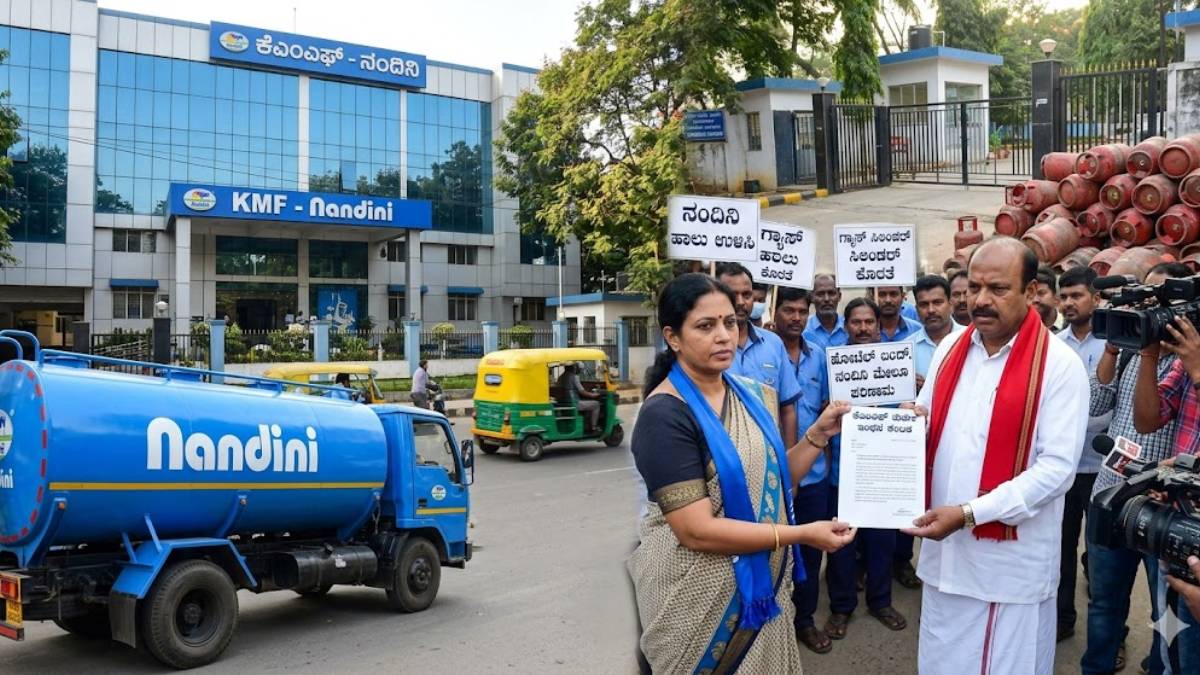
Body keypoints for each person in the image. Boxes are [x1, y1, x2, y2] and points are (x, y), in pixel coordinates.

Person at [628, 273, 857, 673]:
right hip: (697, 603)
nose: (724, 336)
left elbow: (774, 476)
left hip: (761, 596)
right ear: (673, 337)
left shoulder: (750, 394)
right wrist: (801, 534)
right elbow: (694, 530)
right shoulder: (665, 415)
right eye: (705, 326)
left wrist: (818, 434)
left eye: (729, 322)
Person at [905, 236, 1089, 675]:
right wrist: (886, 431)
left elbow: (1056, 472)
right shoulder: (952, 348)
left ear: (1031, 292)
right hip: (944, 558)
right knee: (939, 663)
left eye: (998, 289)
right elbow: (926, 423)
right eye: (973, 287)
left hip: (1006, 571)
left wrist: (969, 513)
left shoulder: (1059, 365)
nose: (980, 300)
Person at [1082, 261, 1191, 675]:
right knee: (1105, 602)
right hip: (1111, 496)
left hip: (1164, 509)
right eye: (1146, 299)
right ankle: (1097, 667)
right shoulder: (1128, 350)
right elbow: (1095, 405)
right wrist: (1113, 347)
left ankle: (1162, 667)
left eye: (1161, 301)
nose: (1150, 310)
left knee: (1170, 609)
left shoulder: (1186, 363)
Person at [824, 297, 908, 639]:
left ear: (878, 325)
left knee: (882, 544)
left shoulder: (896, 362)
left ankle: (880, 601)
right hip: (842, 473)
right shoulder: (833, 364)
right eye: (856, 322)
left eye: (868, 322)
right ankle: (841, 608)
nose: (862, 328)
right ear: (846, 327)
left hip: (884, 472)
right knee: (841, 546)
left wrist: (911, 410)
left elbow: (910, 410)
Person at [771, 287, 834, 654]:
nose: (795, 318)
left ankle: (805, 621)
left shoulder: (820, 356)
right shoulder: (762, 351)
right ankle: (771, 626)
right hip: (768, 476)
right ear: (775, 312)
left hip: (813, 475)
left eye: (801, 312)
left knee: (810, 553)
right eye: (788, 310)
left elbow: (830, 404)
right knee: (772, 552)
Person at [896, 274, 965, 589]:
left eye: (938, 302)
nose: (931, 309)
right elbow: (895, 406)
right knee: (921, 516)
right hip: (917, 453)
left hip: (960, 449)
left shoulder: (972, 342)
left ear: (951, 302)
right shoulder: (902, 351)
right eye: (923, 304)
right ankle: (925, 574)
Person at [1054, 266, 1109, 643]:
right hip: (1064, 470)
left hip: (1104, 471)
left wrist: (1073, 421)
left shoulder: (1114, 343)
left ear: (1096, 297)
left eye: (1077, 296)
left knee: (1104, 562)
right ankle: (1061, 623)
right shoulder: (1055, 345)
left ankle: (1110, 637)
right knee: (1059, 554)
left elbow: (1111, 410)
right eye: (1065, 297)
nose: (1070, 303)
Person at [716, 263, 801, 447]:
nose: (740, 302)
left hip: (770, 458)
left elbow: (787, 409)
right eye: (732, 294)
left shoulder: (774, 344)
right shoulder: (709, 346)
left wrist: (789, 461)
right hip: (725, 456)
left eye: (746, 295)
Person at [804, 273, 849, 349]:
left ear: (839, 296)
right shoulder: (803, 329)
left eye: (831, 293)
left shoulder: (850, 328)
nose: (826, 299)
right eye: (820, 294)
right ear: (812, 297)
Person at [558, 362, 603, 432]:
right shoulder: (574, 377)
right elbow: (582, 392)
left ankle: (587, 424)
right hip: (574, 403)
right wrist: (594, 395)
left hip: (565, 403)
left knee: (588, 403)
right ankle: (594, 427)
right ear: (574, 367)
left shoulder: (560, 377)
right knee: (596, 404)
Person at [1035, 264, 1064, 331]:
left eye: (1041, 293)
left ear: (1055, 296)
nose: (1035, 299)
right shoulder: (1017, 330)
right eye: (1030, 294)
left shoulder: (1070, 326)